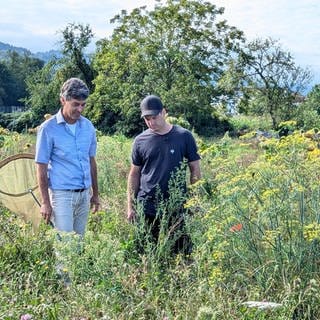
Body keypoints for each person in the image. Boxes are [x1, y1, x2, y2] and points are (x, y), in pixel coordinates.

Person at [127, 95, 201, 254]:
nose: (151, 122)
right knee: (145, 252)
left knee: (182, 252)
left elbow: (195, 169)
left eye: (154, 117)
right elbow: (134, 174)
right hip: (147, 204)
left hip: (176, 204)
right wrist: (130, 206)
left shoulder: (184, 136)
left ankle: (179, 277)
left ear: (164, 112)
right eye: (147, 119)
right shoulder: (140, 140)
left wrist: (194, 199)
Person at [35, 77, 99, 236]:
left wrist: (95, 194)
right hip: (61, 195)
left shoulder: (88, 127)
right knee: (65, 248)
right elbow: (41, 167)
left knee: (79, 245)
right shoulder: (48, 129)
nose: (80, 109)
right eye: (75, 104)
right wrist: (45, 202)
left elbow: (91, 161)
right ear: (63, 100)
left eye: (83, 104)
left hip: (84, 195)